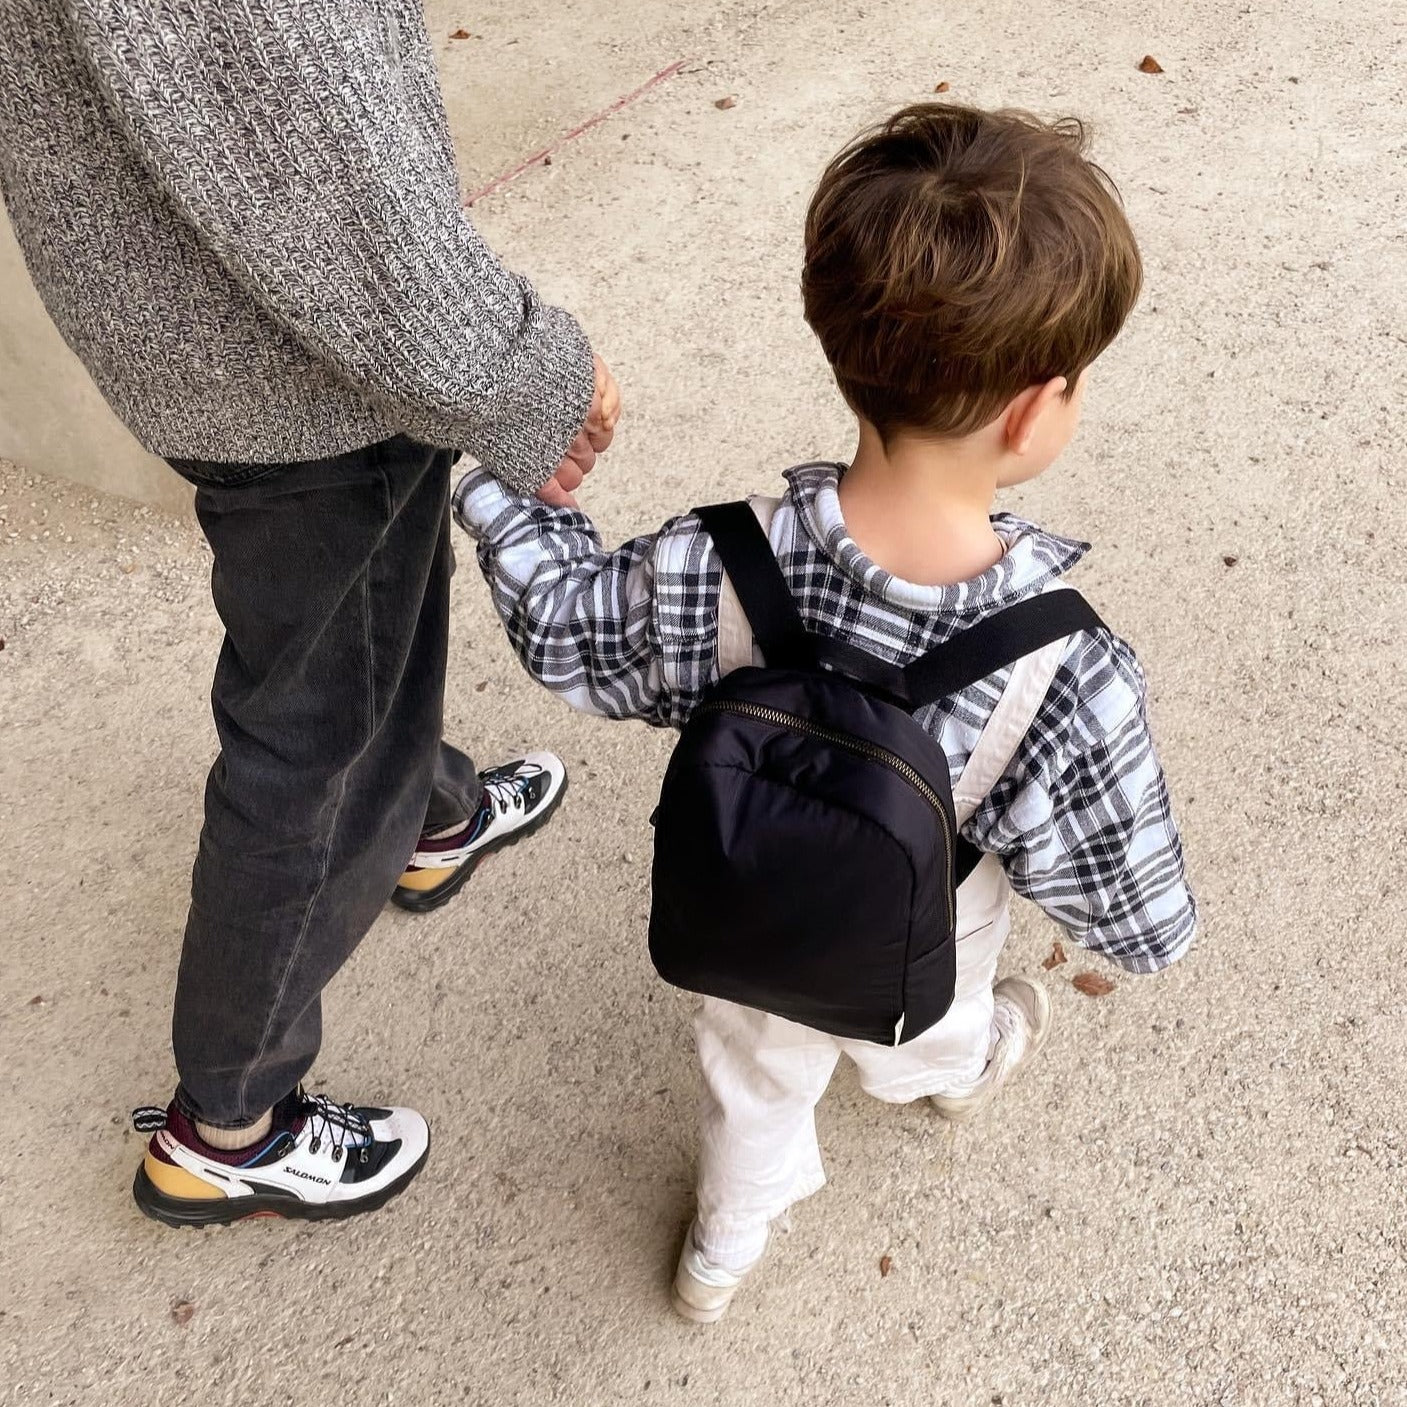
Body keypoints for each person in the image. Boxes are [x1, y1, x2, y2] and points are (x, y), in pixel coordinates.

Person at [454, 103, 1197, 1319]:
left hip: (743, 901)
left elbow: (569, 624)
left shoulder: (718, 561)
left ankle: (721, 1249)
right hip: (917, 921)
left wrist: (497, 483)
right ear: (1031, 414)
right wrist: (1131, 923)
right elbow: (1131, 902)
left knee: (752, 1073)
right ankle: (956, 1071)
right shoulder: (1067, 668)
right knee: (933, 1021)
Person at [0, 1, 619, 1225]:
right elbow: (312, 161)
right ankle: (228, 1120)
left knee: (367, 628)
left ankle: (430, 819)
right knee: (308, 735)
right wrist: (528, 373)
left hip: (216, 333)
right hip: (291, 374)